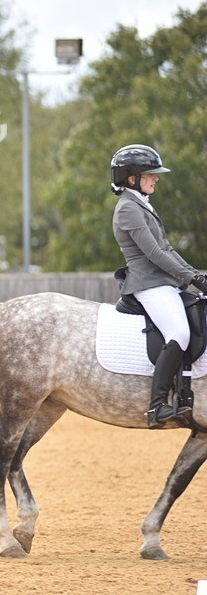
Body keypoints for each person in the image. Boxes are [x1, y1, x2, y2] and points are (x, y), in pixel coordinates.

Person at [110, 144, 207, 428]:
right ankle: (156, 407)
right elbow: (154, 254)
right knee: (179, 332)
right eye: (151, 174)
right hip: (148, 283)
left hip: (162, 281)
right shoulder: (128, 209)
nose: (156, 179)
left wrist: (195, 275)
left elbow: (168, 248)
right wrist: (190, 278)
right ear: (132, 178)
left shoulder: (142, 204)